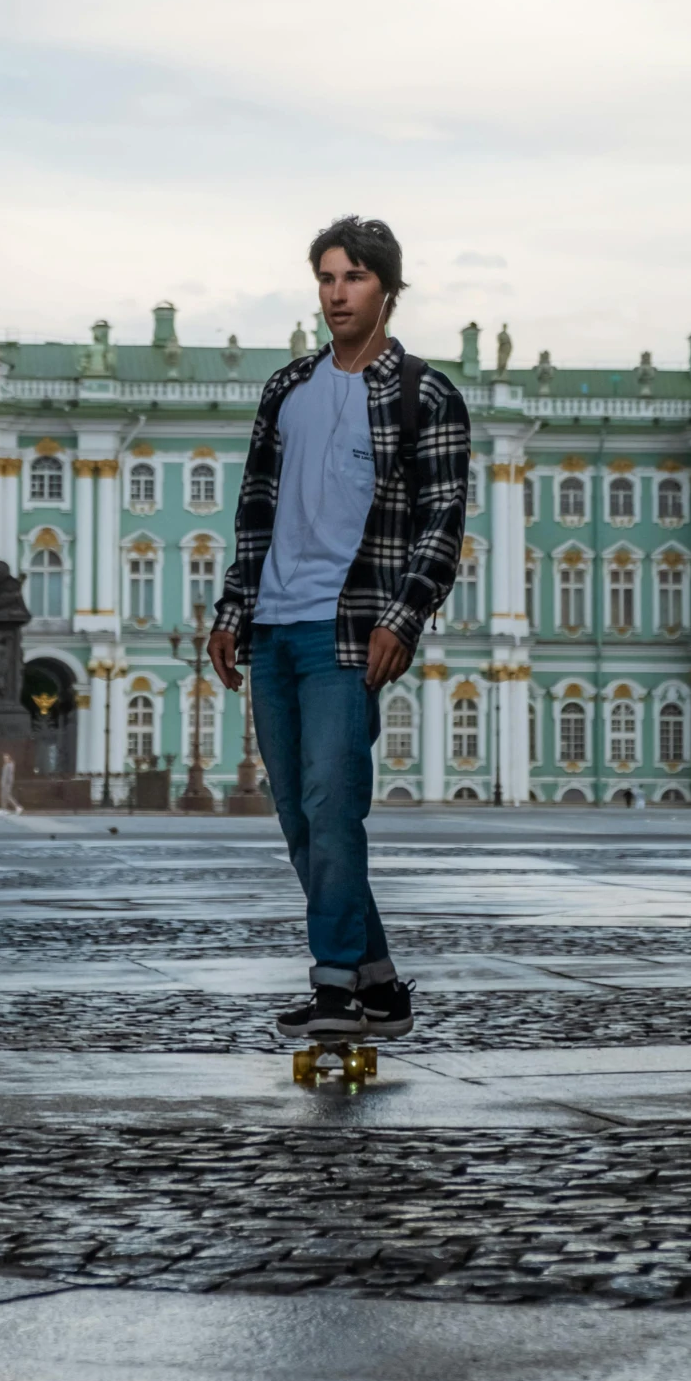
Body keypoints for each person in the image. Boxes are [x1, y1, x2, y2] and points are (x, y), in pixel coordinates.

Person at [208, 217, 469, 1042]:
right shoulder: (286, 389)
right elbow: (255, 511)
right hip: (275, 629)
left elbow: (441, 523)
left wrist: (404, 614)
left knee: (332, 803)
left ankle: (334, 989)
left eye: (353, 278)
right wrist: (231, 609)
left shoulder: (424, 394)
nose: (336, 293)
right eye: (326, 278)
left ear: (386, 289)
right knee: (298, 816)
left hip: (349, 631)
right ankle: (381, 986)